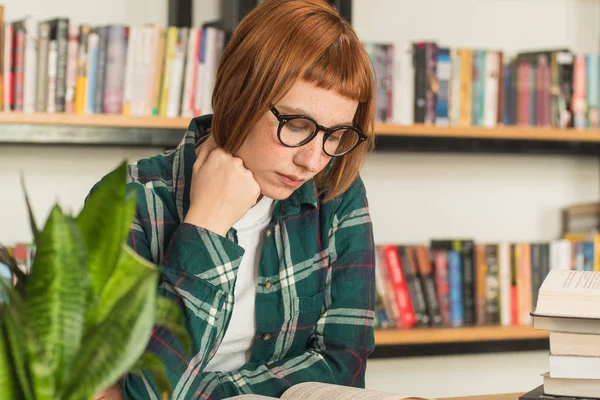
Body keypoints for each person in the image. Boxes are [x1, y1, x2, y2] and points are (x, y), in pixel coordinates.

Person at [96, 0, 377, 398]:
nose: (313, 160)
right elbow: (144, 391)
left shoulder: (337, 190)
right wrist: (206, 225)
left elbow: (344, 367)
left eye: (335, 136)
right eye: (296, 125)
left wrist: (202, 393)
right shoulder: (131, 199)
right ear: (238, 95)